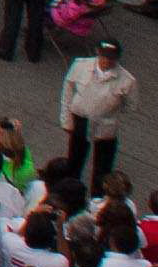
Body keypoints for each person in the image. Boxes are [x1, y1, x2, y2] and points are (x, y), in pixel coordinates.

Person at [57, 36, 138, 187]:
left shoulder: (127, 80)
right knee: (75, 158)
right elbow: (67, 92)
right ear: (98, 53)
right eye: (104, 56)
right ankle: (71, 189)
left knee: (103, 167)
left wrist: (109, 109)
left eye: (111, 58)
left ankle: (98, 197)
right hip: (80, 119)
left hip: (106, 124)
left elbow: (130, 106)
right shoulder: (81, 65)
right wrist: (66, 120)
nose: (107, 61)